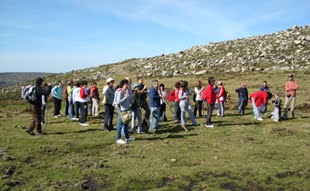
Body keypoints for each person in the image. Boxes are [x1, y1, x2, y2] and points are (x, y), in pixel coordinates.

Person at [114, 79, 135, 144]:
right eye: (127, 84)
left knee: (126, 124)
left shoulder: (123, 91)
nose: (128, 86)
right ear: (124, 84)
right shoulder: (120, 91)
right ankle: (118, 138)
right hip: (121, 110)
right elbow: (118, 102)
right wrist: (125, 97)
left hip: (126, 109)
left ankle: (127, 137)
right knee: (120, 124)